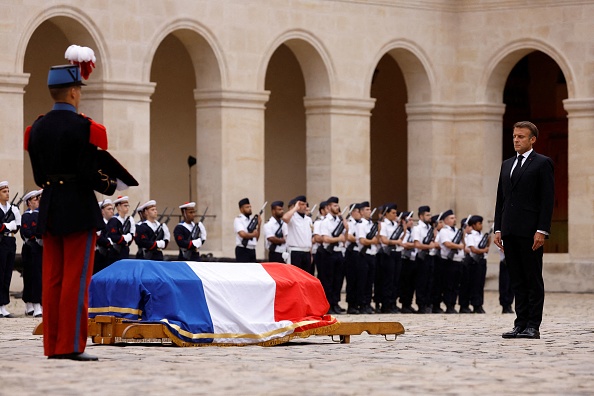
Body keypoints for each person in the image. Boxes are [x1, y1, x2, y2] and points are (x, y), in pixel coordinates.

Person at [25, 51, 135, 360]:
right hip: (78, 210)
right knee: (76, 280)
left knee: (53, 279)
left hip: (49, 208)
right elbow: (90, 174)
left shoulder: (35, 129)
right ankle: (71, 345)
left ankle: (53, 345)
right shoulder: (84, 127)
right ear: (74, 91)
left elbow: (37, 175)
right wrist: (112, 184)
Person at [495, 121, 554, 340]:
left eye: (521, 137)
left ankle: (533, 325)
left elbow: (547, 200)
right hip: (509, 230)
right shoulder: (506, 164)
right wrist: (498, 229)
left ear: (532, 140)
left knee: (532, 278)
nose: (516, 140)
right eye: (514, 136)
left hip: (530, 232)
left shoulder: (542, 163)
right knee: (517, 279)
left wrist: (542, 230)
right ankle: (519, 323)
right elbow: (501, 199)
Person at [319, 196, 348, 314]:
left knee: (338, 280)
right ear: (328, 207)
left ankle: (335, 303)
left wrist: (346, 227)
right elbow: (325, 239)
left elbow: (344, 238)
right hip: (328, 254)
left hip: (338, 252)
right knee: (328, 280)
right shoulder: (325, 221)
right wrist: (338, 238)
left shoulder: (339, 221)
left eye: (337, 205)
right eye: (334, 205)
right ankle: (328, 304)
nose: (337, 207)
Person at [20, 189, 44, 317]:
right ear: (29, 203)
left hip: (39, 248)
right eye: (35, 200)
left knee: (39, 276)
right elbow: (27, 232)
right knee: (31, 276)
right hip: (30, 249)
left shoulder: (39, 214)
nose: (38, 202)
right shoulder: (27, 216)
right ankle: (33, 304)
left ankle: (37, 303)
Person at [436, 209, 465, 314]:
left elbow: (463, 244)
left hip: (458, 260)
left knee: (456, 285)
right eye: (451, 218)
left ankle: (453, 304)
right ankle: (449, 305)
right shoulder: (444, 231)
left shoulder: (457, 231)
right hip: (448, 261)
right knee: (448, 284)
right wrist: (459, 246)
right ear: (445, 220)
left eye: (454, 218)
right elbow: (447, 244)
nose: (454, 220)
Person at [0, 181, 22, 318]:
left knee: (7, 274)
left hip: (10, 242)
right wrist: (8, 225)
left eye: (8, 191)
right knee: (0, 273)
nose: (7, 194)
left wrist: (7, 226)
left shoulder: (13, 209)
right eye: (4, 191)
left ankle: (3, 306)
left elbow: (17, 227)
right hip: (0, 242)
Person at [412, 205, 439, 314]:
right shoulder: (417, 228)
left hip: (430, 257)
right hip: (422, 258)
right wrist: (430, 246)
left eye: (430, 215)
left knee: (430, 281)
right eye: (427, 215)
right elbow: (417, 244)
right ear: (421, 216)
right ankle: (421, 304)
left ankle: (428, 303)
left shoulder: (430, 228)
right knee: (422, 282)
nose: (429, 217)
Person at [356, 201, 379, 314]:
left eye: (369, 209)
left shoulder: (371, 224)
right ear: (361, 212)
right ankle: (362, 304)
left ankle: (368, 303)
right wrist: (373, 241)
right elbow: (362, 240)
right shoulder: (361, 224)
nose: (369, 211)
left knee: (370, 281)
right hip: (364, 255)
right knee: (363, 281)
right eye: (366, 209)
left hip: (372, 254)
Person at [282, 196, 313, 273]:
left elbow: (309, 237)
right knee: (295, 275)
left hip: (306, 251)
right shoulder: (292, 217)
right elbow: (285, 218)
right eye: (302, 204)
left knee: (306, 276)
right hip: (295, 251)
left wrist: (310, 253)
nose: (304, 206)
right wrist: (295, 208)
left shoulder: (308, 219)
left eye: (305, 204)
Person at [106, 195, 135, 262]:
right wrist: (126, 238)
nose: (127, 208)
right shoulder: (114, 220)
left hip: (125, 250)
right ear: (118, 207)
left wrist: (128, 238)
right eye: (125, 206)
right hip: (115, 251)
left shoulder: (128, 220)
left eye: (128, 206)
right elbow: (113, 236)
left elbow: (132, 235)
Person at [234, 198, 261, 262]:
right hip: (242, 249)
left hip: (252, 249)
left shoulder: (252, 220)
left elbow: (256, 238)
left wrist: (259, 225)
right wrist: (253, 234)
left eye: (250, 207)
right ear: (241, 209)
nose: (249, 209)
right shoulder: (238, 219)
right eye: (247, 207)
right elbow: (242, 234)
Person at [94, 199, 114, 274]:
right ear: (102, 211)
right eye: (109, 209)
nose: (112, 211)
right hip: (100, 256)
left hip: (110, 256)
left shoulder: (113, 224)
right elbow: (99, 238)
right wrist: (109, 241)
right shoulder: (99, 225)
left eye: (112, 209)